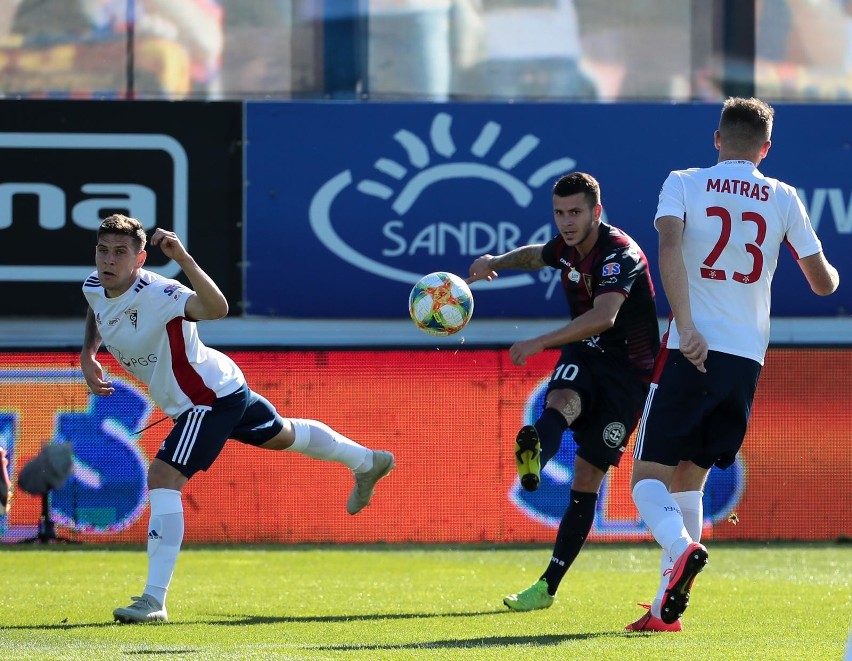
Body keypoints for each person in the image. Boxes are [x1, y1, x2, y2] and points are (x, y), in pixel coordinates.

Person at [80, 214, 395, 624]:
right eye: (103, 250)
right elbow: (97, 308)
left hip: (205, 399)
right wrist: (89, 354)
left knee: (162, 477)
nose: (109, 260)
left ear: (140, 259)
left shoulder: (160, 292)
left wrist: (185, 260)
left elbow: (217, 308)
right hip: (227, 383)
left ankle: (153, 600)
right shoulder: (94, 285)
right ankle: (367, 461)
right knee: (284, 435)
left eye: (121, 252)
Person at [628, 97, 839, 632]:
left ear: (717, 137)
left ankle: (680, 548)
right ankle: (662, 611)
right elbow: (823, 284)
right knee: (689, 483)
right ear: (766, 148)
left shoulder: (683, 181)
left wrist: (688, 325)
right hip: (745, 362)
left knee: (646, 478)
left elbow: (669, 251)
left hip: (690, 349)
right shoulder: (784, 196)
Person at [467, 172, 660, 612]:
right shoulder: (566, 248)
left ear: (596, 211)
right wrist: (496, 259)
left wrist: (539, 342)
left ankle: (546, 587)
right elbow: (537, 255)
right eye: (559, 213)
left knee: (588, 479)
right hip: (586, 356)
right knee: (560, 402)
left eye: (575, 212)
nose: (567, 222)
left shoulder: (620, 255)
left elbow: (604, 316)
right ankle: (536, 455)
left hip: (627, 375)